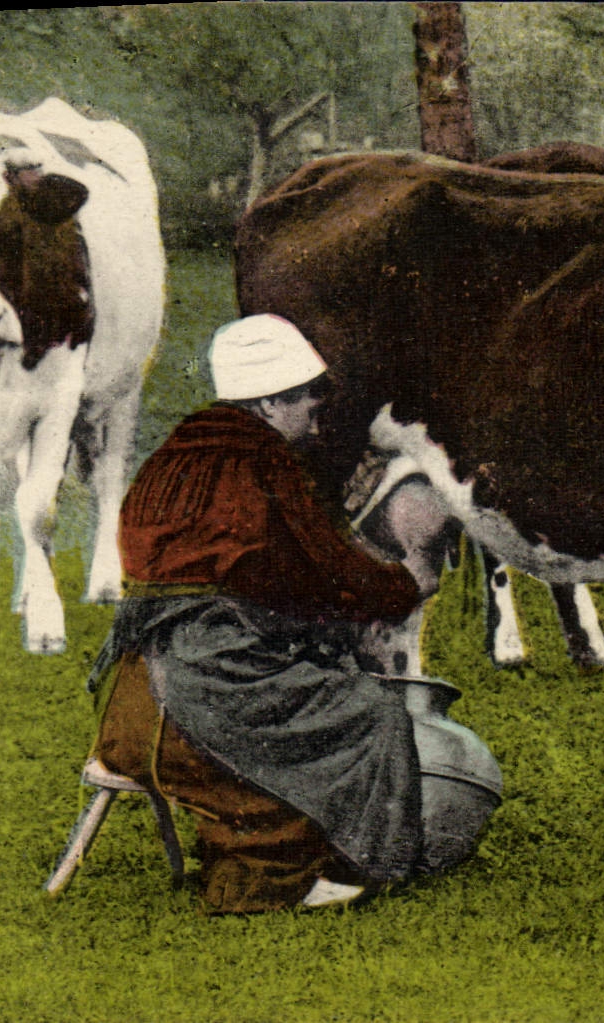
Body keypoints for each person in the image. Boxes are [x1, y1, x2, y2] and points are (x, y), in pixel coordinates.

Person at [90, 314, 435, 913]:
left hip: (127, 705)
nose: (316, 419)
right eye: (308, 403)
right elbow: (324, 571)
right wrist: (403, 584)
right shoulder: (261, 462)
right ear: (272, 402)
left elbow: (234, 576)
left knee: (320, 685)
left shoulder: (169, 458)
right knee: (373, 711)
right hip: (203, 690)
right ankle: (351, 868)